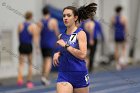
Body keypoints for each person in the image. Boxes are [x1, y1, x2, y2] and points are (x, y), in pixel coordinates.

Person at [53, 3, 97, 93]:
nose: (65, 18)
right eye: (64, 16)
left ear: (75, 18)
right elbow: (65, 52)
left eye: (69, 15)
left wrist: (66, 46)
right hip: (64, 75)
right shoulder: (61, 36)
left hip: (79, 74)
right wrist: (58, 53)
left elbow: (83, 55)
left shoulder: (81, 34)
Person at [37, 5, 59, 85]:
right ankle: (44, 77)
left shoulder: (40, 22)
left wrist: (36, 46)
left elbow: (37, 34)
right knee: (49, 61)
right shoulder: (53, 21)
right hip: (50, 43)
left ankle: (44, 77)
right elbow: (56, 32)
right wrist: (59, 41)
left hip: (42, 43)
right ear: (49, 12)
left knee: (44, 61)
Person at [17, 11, 39, 88]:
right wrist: (37, 48)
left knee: (21, 63)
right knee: (30, 64)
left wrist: (21, 44)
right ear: (31, 17)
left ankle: (20, 79)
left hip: (22, 45)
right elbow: (35, 38)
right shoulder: (33, 26)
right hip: (28, 46)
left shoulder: (20, 25)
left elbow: (18, 36)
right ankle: (29, 82)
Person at [110, 6, 128, 70]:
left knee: (116, 50)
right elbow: (125, 28)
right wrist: (126, 35)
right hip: (122, 35)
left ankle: (117, 64)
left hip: (116, 35)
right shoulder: (123, 18)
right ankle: (122, 61)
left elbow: (111, 28)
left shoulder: (113, 18)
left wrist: (111, 36)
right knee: (123, 49)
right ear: (121, 11)